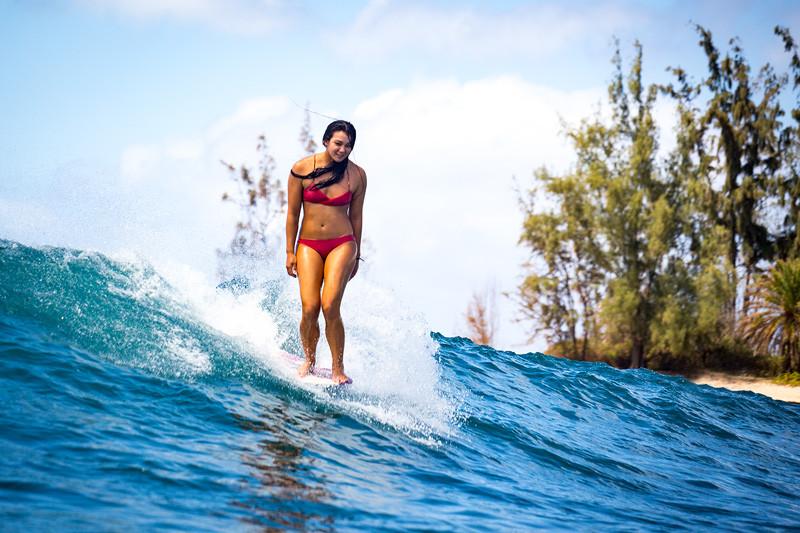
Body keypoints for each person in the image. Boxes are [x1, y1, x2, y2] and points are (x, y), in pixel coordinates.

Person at [285, 120, 366, 384]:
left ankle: (338, 368)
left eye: (348, 146)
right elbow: (293, 214)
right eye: (338, 143)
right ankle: (309, 359)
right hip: (308, 244)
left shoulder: (357, 176)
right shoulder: (301, 169)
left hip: (342, 243)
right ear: (325, 141)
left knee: (330, 305)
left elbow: (356, 217)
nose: (343, 150)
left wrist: (357, 254)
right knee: (310, 308)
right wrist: (289, 251)